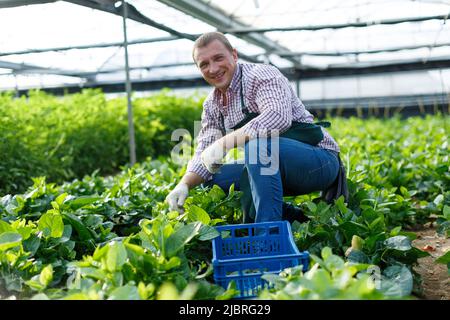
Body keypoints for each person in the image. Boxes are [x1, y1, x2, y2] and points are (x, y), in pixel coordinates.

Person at [166, 31, 344, 223]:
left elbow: (277, 117)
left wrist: (225, 143)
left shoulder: (260, 75)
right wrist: (184, 184)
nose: (213, 68)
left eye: (218, 58)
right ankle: (294, 218)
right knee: (210, 180)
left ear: (234, 55)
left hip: (318, 162)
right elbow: (205, 149)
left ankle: (267, 233)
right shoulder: (212, 105)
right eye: (204, 64)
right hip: (270, 166)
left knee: (257, 148)